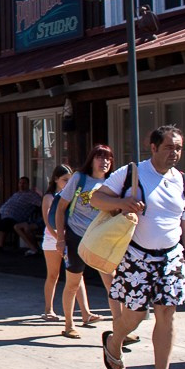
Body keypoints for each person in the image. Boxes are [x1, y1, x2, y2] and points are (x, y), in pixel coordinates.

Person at [96, 126, 185, 369]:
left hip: (170, 257)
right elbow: (96, 198)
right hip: (137, 257)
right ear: (153, 148)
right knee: (135, 316)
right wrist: (124, 201)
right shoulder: (132, 173)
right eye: (169, 147)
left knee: (167, 314)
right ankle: (115, 339)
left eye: (178, 148)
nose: (175, 153)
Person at [54, 145, 114, 339]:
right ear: (92, 160)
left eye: (108, 158)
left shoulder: (113, 182)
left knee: (112, 282)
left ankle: (120, 326)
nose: (104, 162)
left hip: (101, 237)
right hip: (77, 235)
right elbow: (61, 208)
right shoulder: (79, 179)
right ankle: (69, 324)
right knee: (73, 282)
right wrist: (61, 238)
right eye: (100, 157)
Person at [40, 165, 90, 322]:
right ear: (56, 179)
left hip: (69, 238)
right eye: (65, 180)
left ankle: (86, 313)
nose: (68, 183)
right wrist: (58, 238)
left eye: (70, 180)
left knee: (77, 275)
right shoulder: (49, 197)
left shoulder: (70, 196)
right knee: (53, 275)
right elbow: (48, 221)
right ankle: (49, 310)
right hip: (52, 239)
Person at [0, 177, 43, 255]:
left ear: (28, 184)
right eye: (20, 183)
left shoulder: (32, 195)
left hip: (16, 217)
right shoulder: (16, 194)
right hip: (3, 214)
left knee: (5, 222)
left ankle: (0, 244)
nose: (21, 185)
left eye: (24, 183)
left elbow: (42, 204)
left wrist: (41, 195)